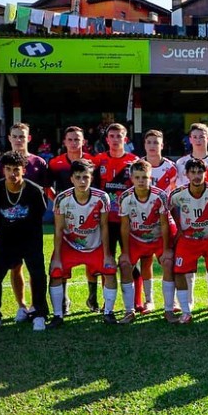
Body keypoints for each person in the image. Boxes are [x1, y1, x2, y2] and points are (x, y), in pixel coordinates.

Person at [0, 151, 48, 333]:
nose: (13, 173)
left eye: (16, 169)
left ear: (24, 170)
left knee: (38, 274)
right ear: (3, 170)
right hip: (4, 239)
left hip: (30, 239)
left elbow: (38, 217)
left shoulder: (34, 190)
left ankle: (40, 314)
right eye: (8, 169)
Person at [0, 123, 51, 322]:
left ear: (29, 138)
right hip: (9, 229)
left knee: (35, 268)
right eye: (15, 136)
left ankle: (37, 306)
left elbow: (46, 191)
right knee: (15, 267)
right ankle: (22, 306)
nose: (19, 140)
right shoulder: (2, 163)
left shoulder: (39, 163)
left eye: (22, 136)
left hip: (32, 228)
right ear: (9, 138)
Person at [49, 159, 116, 327]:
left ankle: (108, 313)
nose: (82, 181)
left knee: (110, 270)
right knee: (55, 272)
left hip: (95, 245)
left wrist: (108, 255)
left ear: (91, 178)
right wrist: (56, 257)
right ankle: (58, 315)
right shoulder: (62, 199)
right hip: (70, 245)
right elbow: (58, 230)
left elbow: (104, 226)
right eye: (78, 177)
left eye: (86, 177)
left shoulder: (102, 197)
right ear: (71, 179)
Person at [169, 158, 208, 324]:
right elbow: (169, 208)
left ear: (205, 173)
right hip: (188, 239)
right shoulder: (177, 194)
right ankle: (186, 312)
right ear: (186, 174)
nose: (196, 176)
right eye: (193, 172)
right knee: (179, 272)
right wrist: (179, 229)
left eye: (199, 172)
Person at [174, 122, 208, 311]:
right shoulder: (180, 163)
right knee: (188, 264)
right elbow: (178, 194)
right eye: (194, 136)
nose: (198, 139)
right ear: (190, 139)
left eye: (202, 136)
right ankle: (188, 302)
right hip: (189, 220)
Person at [118, 160, 173, 323]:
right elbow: (125, 228)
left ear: (151, 178)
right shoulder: (125, 197)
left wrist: (167, 250)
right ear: (131, 178)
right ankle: (129, 310)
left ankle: (169, 309)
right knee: (125, 265)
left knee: (168, 263)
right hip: (136, 238)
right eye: (138, 177)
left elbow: (164, 225)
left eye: (145, 177)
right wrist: (126, 253)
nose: (141, 181)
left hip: (157, 237)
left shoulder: (160, 195)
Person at [92, 123, 139, 313]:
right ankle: (107, 301)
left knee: (131, 261)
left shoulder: (134, 161)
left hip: (128, 220)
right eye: (112, 136)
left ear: (125, 139)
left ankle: (137, 301)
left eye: (119, 136)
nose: (115, 139)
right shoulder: (98, 160)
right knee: (107, 260)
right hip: (106, 222)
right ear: (107, 139)